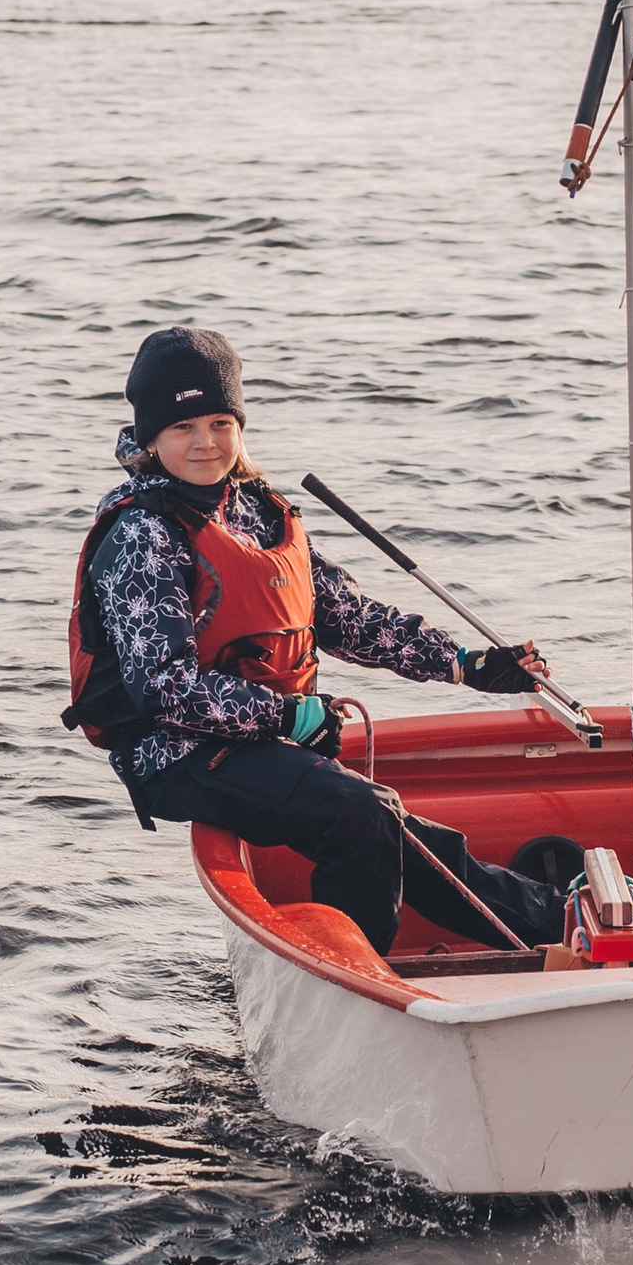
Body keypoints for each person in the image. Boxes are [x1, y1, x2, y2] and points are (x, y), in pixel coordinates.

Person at [64, 326, 573, 959]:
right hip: (176, 754)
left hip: (261, 738)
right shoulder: (142, 535)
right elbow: (165, 687)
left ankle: (565, 924)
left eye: (221, 422)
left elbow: (346, 616)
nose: (205, 442)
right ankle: (351, 972)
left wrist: (465, 664)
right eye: (183, 427)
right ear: (151, 438)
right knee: (358, 813)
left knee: (396, 829)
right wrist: (287, 713)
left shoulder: (257, 510)